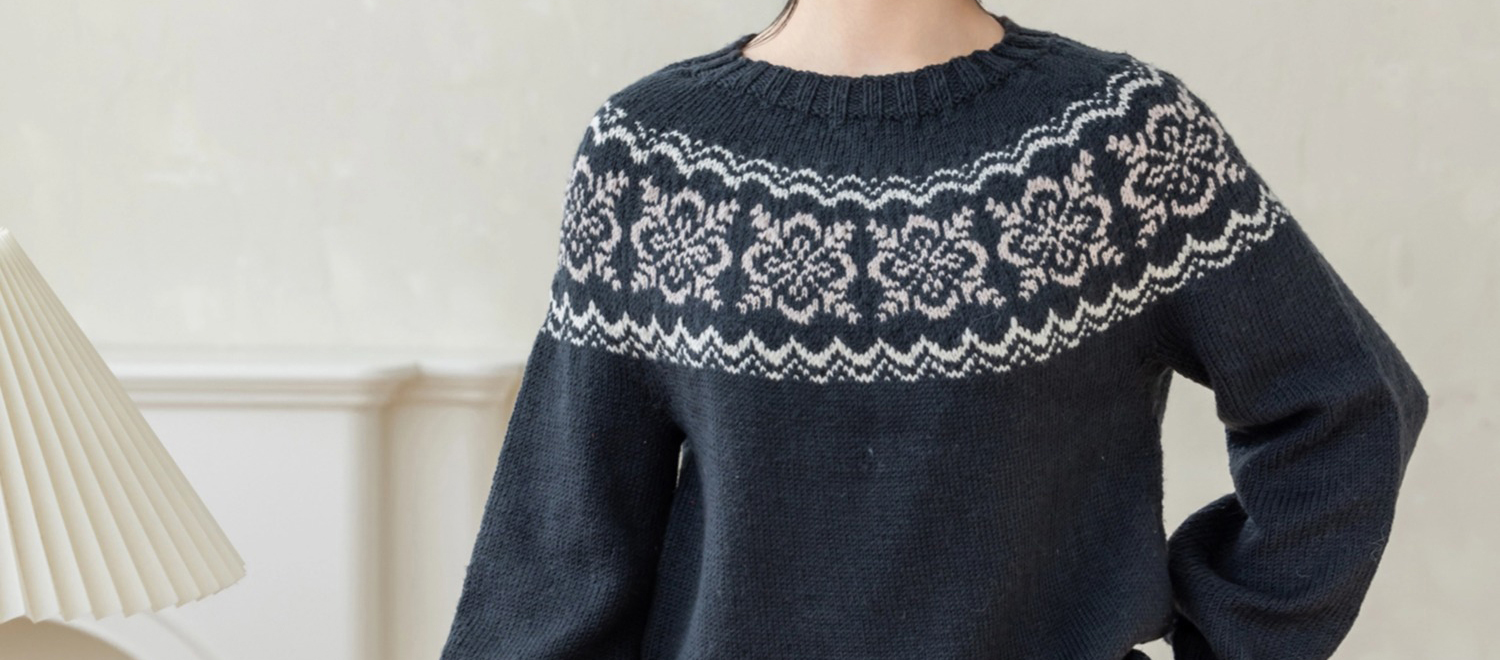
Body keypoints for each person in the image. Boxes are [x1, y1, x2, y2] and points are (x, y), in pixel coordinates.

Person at [439, 2, 1430, 659]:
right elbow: (561, 547)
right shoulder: (652, 158)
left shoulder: (1118, 138)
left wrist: (1234, 636)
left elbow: (1345, 406)